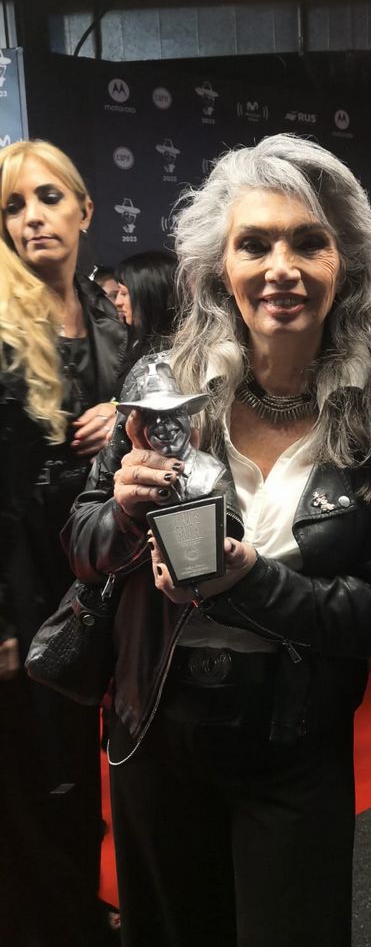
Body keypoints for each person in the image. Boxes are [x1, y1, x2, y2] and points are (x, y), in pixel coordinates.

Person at [63, 134, 371, 947]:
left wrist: (249, 582)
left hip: (294, 743)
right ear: (220, 264)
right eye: (253, 243)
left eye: (308, 241)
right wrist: (118, 512)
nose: (279, 267)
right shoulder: (159, 386)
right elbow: (81, 546)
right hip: (154, 724)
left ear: (347, 263)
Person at [0, 139, 129, 946]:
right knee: (31, 778)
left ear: (83, 210)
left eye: (47, 198)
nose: (32, 217)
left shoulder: (107, 312)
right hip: (21, 580)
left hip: (96, 575)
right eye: (13, 205)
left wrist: (125, 411)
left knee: (82, 769)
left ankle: (78, 909)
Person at [113, 249, 178, 358]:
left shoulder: (165, 354)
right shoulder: (129, 338)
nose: (117, 302)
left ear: (150, 295)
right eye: (117, 293)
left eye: (124, 293)